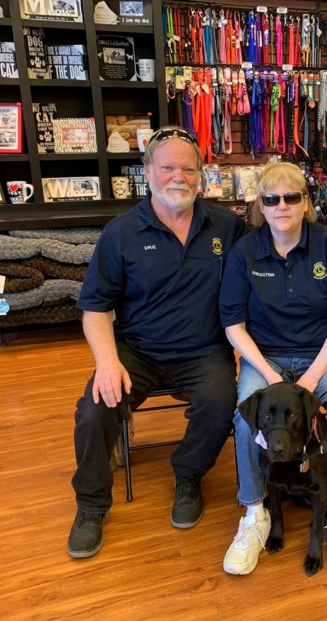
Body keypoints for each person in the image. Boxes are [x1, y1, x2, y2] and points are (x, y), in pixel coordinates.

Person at [67, 127, 248, 559]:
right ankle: (91, 505)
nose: (178, 177)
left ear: (201, 176)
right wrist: (108, 364)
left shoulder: (227, 225)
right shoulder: (120, 232)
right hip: (137, 352)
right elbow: (94, 309)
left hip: (204, 351)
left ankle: (188, 474)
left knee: (224, 405)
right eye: (167, 167)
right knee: (93, 412)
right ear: (147, 171)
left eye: (188, 169)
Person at [218, 162, 327, 575]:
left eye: (291, 197)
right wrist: (269, 376)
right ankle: (254, 512)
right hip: (266, 358)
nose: (281, 206)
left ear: (306, 203)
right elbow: (233, 325)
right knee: (247, 416)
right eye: (271, 199)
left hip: (323, 355)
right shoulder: (245, 252)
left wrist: (311, 379)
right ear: (260, 207)